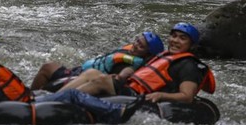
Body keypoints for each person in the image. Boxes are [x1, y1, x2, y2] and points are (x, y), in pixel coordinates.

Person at [0, 35, 145, 124]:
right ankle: (114, 113)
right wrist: (24, 100)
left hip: (24, 99)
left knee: (70, 92)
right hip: (22, 104)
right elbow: (0, 99)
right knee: (73, 94)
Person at [58, 23, 216, 104]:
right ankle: (54, 98)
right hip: (133, 88)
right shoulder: (163, 56)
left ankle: (61, 101)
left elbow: (187, 97)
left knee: (102, 81)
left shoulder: (189, 65)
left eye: (182, 38)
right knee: (92, 73)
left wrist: (161, 95)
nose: (175, 41)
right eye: (174, 36)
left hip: (142, 98)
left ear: (192, 45)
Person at [29, 31, 164, 91]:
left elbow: (126, 74)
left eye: (140, 46)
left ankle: (31, 99)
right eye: (137, 41)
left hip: (82, 79)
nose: (135, 45)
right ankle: (30, 94)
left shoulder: (133, 64)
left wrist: (120, 78)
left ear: (147, 54)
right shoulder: (129, 51)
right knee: (49, 66)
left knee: (48, 71)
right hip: (79, 71)